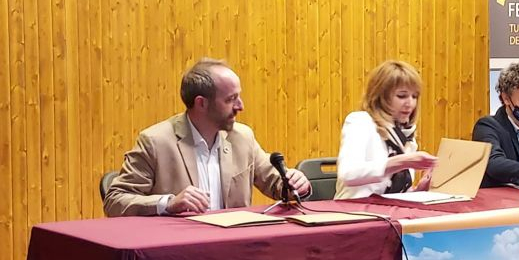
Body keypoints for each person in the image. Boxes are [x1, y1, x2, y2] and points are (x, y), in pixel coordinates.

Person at [104, 58, 312, 217]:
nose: (240, 106)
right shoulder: (155, 141)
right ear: (201, 103)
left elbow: (277, 184)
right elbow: (114, 201)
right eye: (231, 99)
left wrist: (296, 184)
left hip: (235, 248)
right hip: (179, 251)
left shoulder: (242, 137)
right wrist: (167, 203)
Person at [335, 60, 438, 199]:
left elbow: (391, 192)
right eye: (402, 96)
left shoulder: (406, 134)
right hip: (353, 209)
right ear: (381, 96)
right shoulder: (360, 121)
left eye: (414, 96)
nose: (410, 103)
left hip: (387, 210)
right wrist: (401, 162)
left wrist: (419, 190)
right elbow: (348, 174)